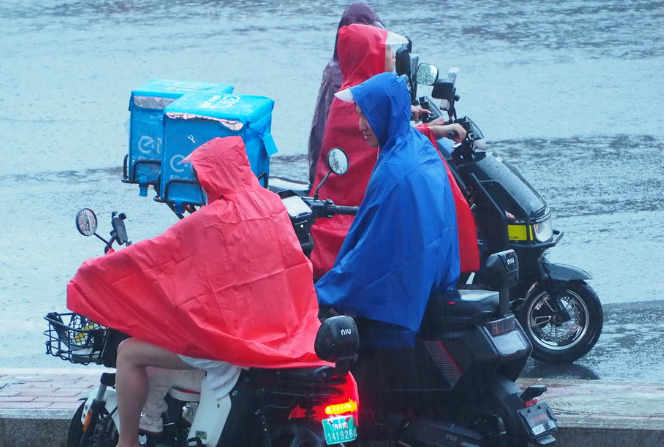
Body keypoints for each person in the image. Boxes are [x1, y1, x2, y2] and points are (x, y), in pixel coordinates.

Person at [67, 137, 324, 447]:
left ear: (211, 177)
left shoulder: (211, 220)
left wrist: (96, 272)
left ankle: (129, 441)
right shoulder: (270, 205)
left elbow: (156, 256)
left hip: (230, 344)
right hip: (281, 334)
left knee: (129, 353)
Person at [315, 72, 460, 347]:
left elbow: (370, 256)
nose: (361, 126)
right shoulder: (417, 148)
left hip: (397, 305)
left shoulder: (393, 173)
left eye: (366, 116)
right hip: (431, 279)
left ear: (385, 113)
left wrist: (321, 293)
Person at [307, 2, 384, 185]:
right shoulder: (343, 78)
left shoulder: (342, 66)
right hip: (335, 169)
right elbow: (363, 124)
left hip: (332, 160)